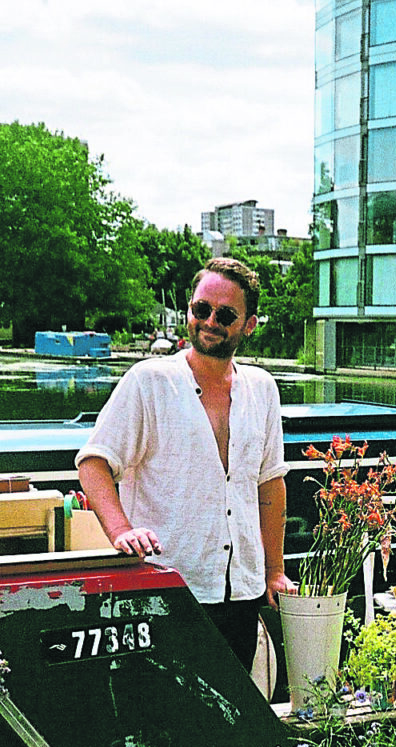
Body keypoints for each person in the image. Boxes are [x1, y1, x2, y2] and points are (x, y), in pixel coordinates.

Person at [76, 257, 296, 669]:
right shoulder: (148, 381)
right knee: (163, 723)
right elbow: (94, 462)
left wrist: (274, 570)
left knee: (232, 721)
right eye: (201, 309)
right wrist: (122, 530)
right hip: (165, 589)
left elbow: (270, 485)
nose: (210, 321)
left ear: (249, 325)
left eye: (226, 314)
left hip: (240, 594)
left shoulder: (264, 389)